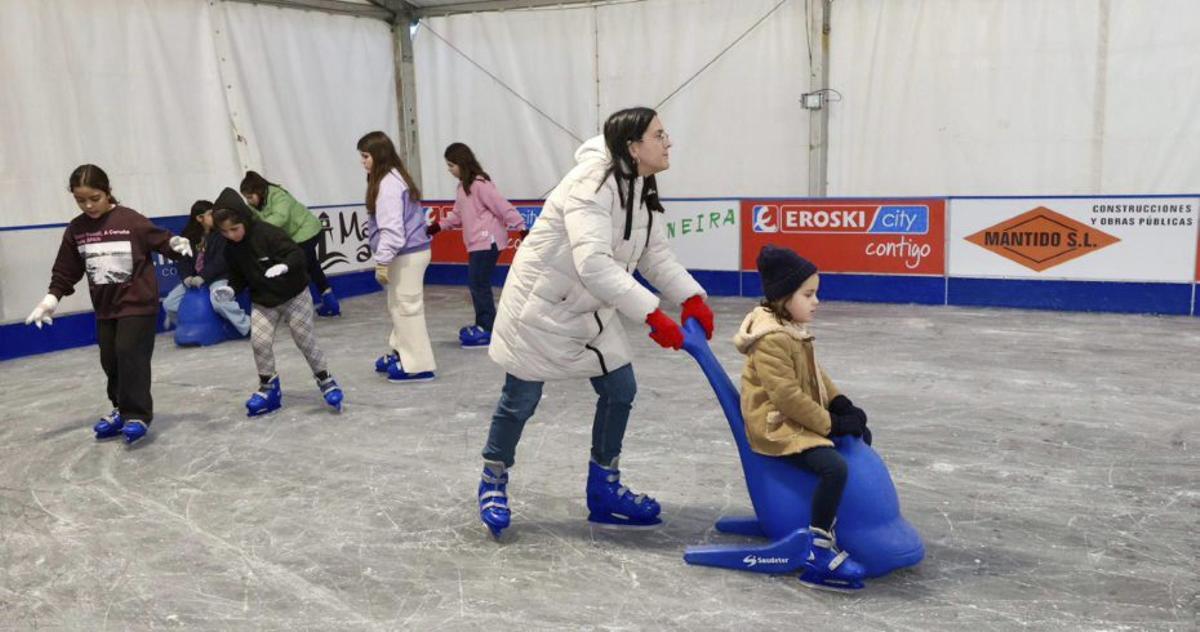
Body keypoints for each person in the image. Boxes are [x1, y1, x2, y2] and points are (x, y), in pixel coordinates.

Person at [474, 107, 716, 538]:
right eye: (659, 135)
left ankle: (604, 486)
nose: (669, 141)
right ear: (633, 145)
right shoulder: (591, 183)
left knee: (621, 390)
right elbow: (593, 265)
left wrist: (691, 297)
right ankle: (493, 477)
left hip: (591, 308)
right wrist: (652, 314)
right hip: (542, 306)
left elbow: (653, 254)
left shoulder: (642, 184)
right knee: (521, 399)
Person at [733, 245, 870, 592]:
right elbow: (788, 398)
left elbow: (815, 373)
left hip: (790, 414)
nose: (816, 301)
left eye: (816, 293)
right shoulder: (771, 340)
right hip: (777, 424)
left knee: (850, 443)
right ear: (782, 297)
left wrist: (841, 404)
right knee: (833, 467)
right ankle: (818, 551)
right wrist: (832, 424)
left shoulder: (789, 327)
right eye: (808, 294)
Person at [25, 164, 193, 444]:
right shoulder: (77, 229)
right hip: (106, 308)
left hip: (137, 304)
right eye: (81, 200)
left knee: (130, 354)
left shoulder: (130, 220)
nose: (89, 205)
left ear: (107, 192)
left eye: (95, 198)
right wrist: (51, 298)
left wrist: (176, 244)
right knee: (110, 360)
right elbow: (66, 269)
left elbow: (162, 241)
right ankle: (120, 407)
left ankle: (137, 414)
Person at [210, 188, 344, 415]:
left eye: (235, 229)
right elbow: (238, 276)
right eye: (225, 232)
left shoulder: (267, 233)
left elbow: (297, 255)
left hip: (294, 294)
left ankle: (325, 379)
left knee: (304, 338)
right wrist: (231, 289)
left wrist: (285, 266)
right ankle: (269, 388)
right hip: (264, 300)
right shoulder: (230, 248)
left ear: (244, 220)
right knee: (259, 341)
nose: (231, 235)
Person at [426, 142, 527, 348]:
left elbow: (502, 206)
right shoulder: (463, 187)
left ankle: (487, 327)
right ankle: (487, 324)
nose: (449, 170)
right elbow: (457, 215)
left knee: (478, 284)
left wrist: (521, 227)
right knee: (477, 284)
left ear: (462, 163)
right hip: (476, 243)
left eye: (451, 165)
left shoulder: (480, 185)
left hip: (487, 241)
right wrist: (437, 227)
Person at [357, 131, 437, 383]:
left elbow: (392, 230)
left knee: (407, 308)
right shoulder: (391, 177)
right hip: (406, 254)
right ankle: (401, 351)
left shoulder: (388, 184)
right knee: (397, 306)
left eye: (366, 156)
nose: (363, 161)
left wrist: (382, 260)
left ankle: (418, 365)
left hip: (406, 255)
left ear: (378, 155)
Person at [239, 171, 341, 317]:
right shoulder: (255, 204)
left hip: (307, 231)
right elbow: (250, 217)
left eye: (250, 197)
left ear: (259, 191)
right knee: (312, 266)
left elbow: (280, 218)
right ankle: (330, 301)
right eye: (246, 198)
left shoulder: (277, 195)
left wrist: (257, 229)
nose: (248, 201)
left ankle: (298, 309)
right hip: (294, 236)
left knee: (295, 268)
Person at [162, 200, 250, 336]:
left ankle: (248, 327)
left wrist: (203, 276)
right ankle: (187, 330)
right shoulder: (189, 237)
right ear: (199, 218)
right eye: (210, 214)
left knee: (220, 301)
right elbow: (183, 260)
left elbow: (222, 261)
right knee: (169, 304)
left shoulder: (222, 233)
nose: (214, 216)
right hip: (195, 278)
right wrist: (186, 277)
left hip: (219, 276)